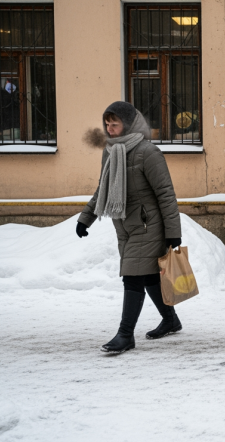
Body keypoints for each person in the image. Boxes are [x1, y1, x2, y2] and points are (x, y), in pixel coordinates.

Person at [76, 101, 183, 354]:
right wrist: (85, 218)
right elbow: (103, 187)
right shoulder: (110, 151)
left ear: (130, 124)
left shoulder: (148, 152)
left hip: (149, 225)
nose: (110, 129)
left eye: (115, 124)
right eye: (107, 124)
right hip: (124, 225)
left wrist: (173, 231)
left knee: (133, 277)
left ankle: (125, 335)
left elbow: (166, 194)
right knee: (147, 276)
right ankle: (170, 320)